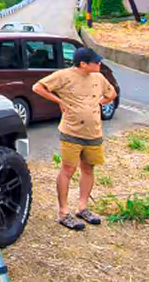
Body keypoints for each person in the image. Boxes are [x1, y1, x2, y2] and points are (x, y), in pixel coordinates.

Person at [32, 47, 117, 230]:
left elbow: (112, 94)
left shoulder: (99, 78)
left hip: (94, 132)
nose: (100, 64)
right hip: (71, 131)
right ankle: (63, 212)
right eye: (96, 62)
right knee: (68, 169)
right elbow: (38, 87)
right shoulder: (64, 75)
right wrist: (59, 101)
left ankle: (83, 207)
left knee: (88, 168)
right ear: (83, 64)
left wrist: (98, 104)